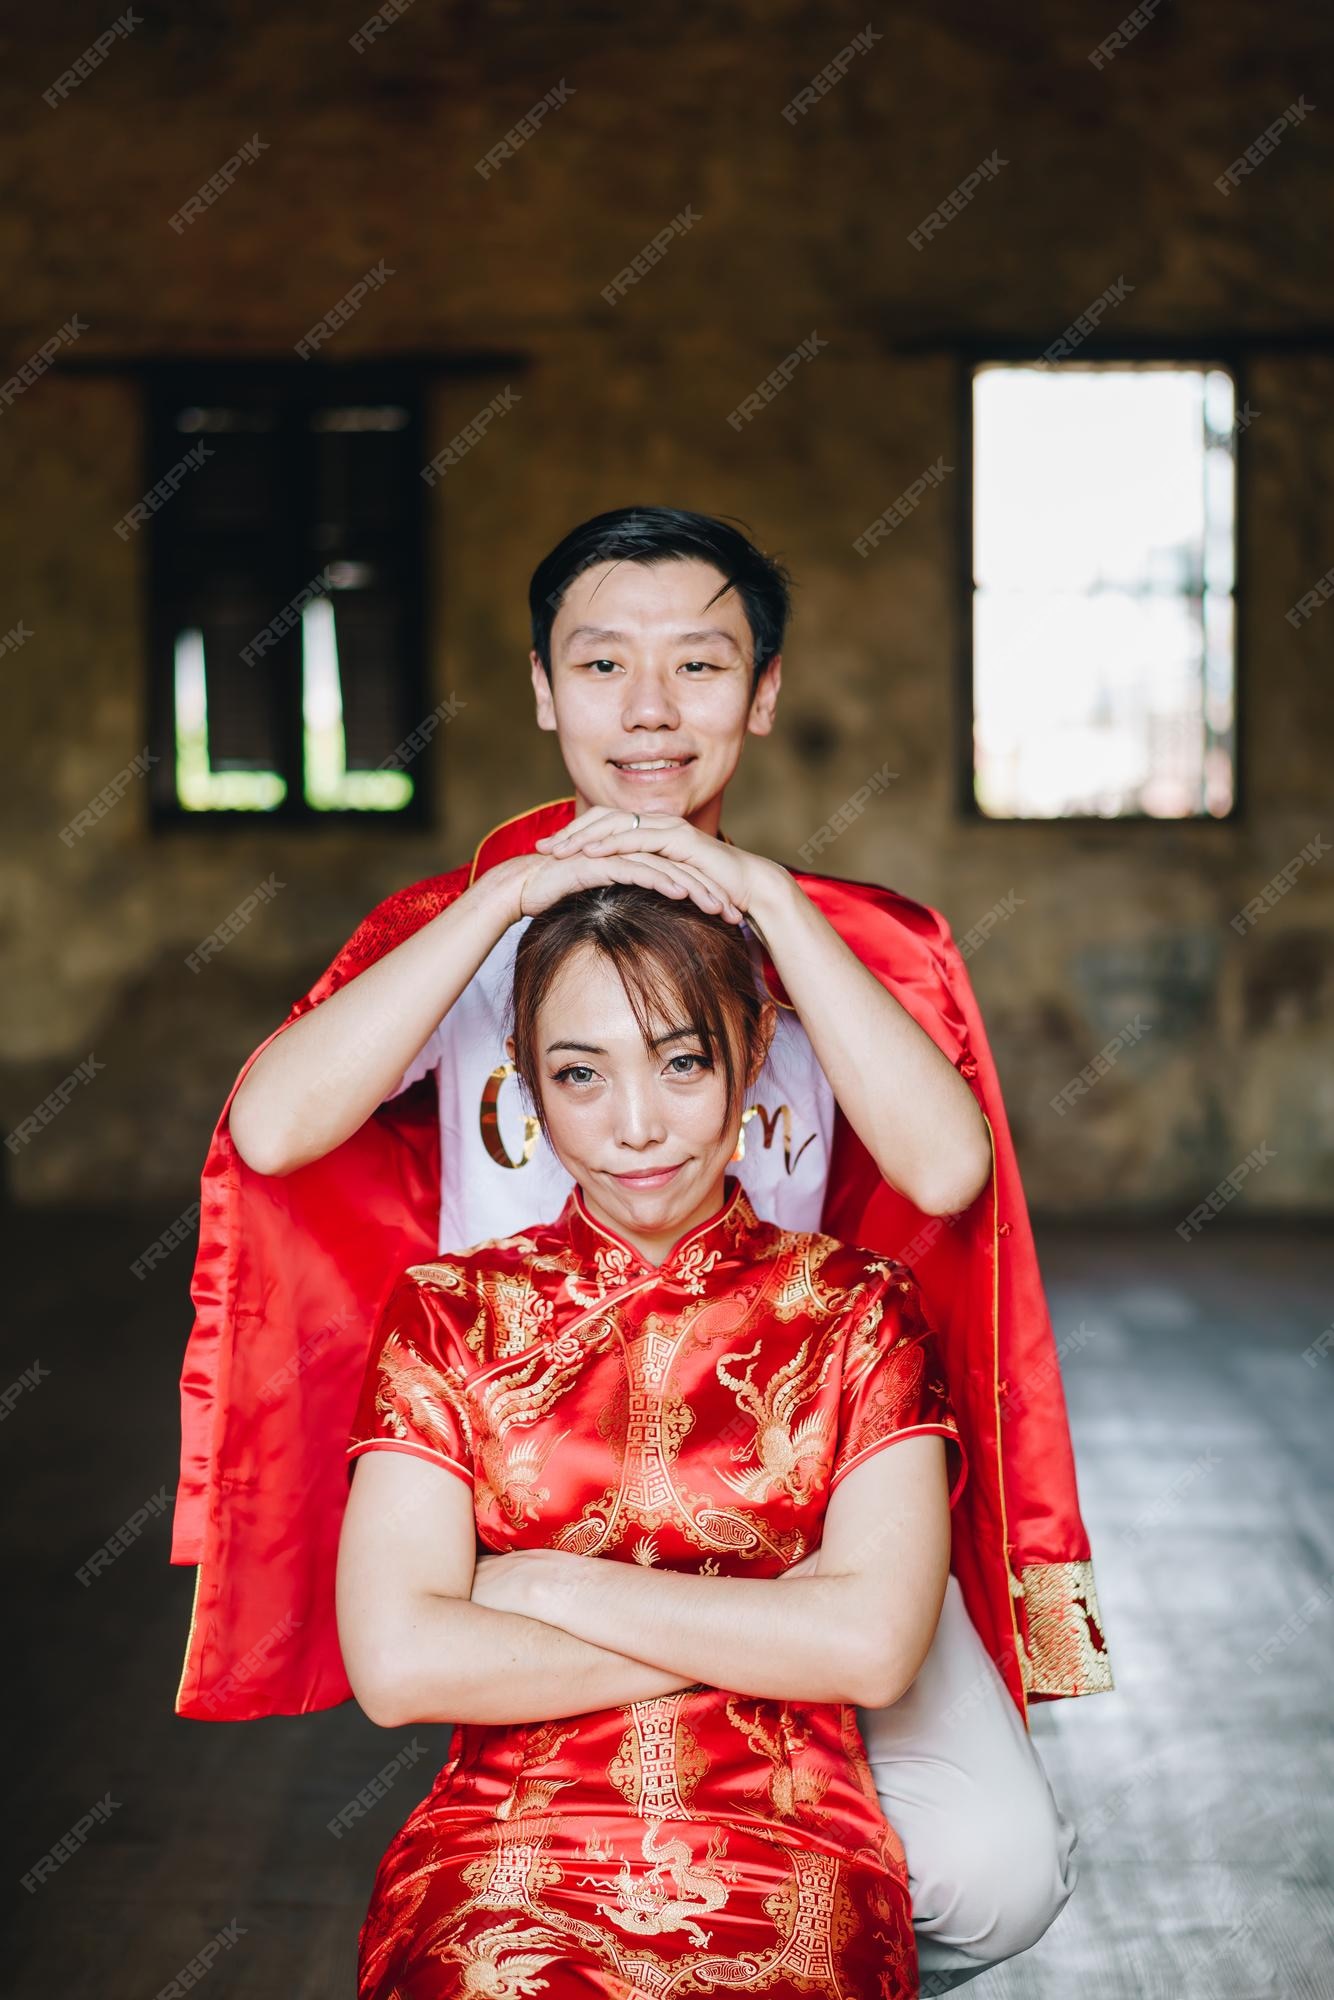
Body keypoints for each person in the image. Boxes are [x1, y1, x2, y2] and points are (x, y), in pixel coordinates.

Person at [171, 507, 1109, 1986]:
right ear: (543, 689)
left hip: (797, 1480)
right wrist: (504, 896)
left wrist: (776, 908)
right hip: (538, 1478)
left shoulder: (840, 947)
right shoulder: (465, 943)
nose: (652, 711)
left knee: (995, 1873)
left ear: (765, 692)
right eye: (603, 664)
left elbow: (942, 1168)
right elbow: (277, 1132)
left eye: (701, 666)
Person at [337, 882, 969, 1999]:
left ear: (755, 1045)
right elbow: (396, 1668)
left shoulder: (857, 1309)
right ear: (527, 1081)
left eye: (680, 1061)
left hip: (788, 1847)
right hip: (501, 1850)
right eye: (579, 1073)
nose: (635, 1123)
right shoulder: (447, 1310)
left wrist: (534, 1585)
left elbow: (872, 1650)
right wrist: (781, 1617)